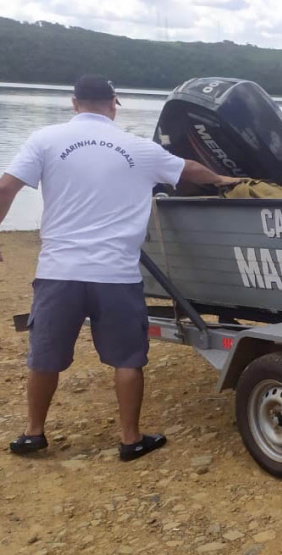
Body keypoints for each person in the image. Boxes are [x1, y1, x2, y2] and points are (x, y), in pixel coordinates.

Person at [0, 74, 239, 461]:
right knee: (127, 360)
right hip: (116, 275)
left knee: (44, 357)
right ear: (114, 104)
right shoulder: (138, 148)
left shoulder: (44, 139)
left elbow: (5, 189)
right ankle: (130, 439)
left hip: (59, 272)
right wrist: (224, 178)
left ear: (74, 103)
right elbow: (191, 170)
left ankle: (33, 434)